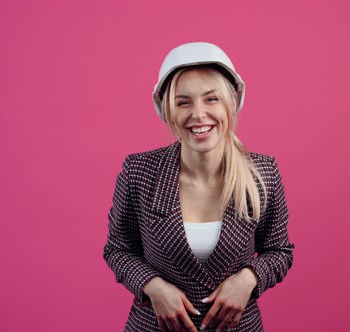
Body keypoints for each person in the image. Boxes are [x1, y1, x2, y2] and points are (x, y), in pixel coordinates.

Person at [103, 42, 294, 332]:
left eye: (211, 99)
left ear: (230, 103)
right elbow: (118, 249)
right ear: (168, 111)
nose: (199, 114)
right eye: (183, 102)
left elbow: (279, 251)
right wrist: (151, 286)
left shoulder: (262, 173)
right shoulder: (139, 172)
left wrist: (249, 278)